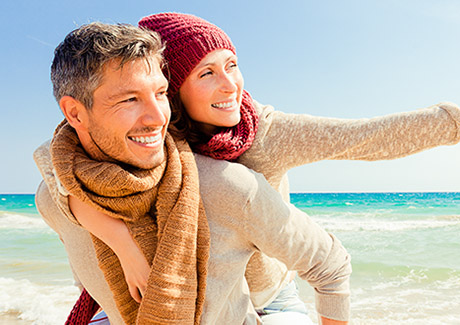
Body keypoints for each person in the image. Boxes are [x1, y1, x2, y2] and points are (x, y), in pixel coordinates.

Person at [65, 12, 460, 323]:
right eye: (206, 72)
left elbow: (376, 136)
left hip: (269, 301)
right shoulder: (146, 133)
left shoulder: (264, 133)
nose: (231, 85)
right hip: (177, 299)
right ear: (170, 88)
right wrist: (119, 242)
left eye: (233, 64)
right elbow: (57, 164)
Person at [35, 22, 352, 324]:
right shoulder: (55, 199)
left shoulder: (227, 188)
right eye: (130, 99)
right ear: (74, 113)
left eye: (160, 94)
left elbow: (330, 265)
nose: (157, 117)